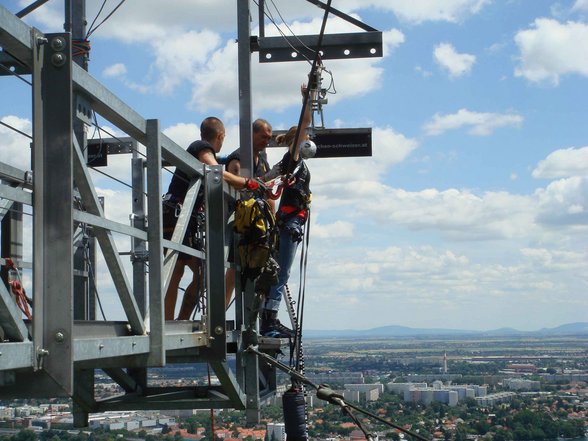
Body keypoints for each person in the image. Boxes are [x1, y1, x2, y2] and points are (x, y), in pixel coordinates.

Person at [164, 116, 260, 320]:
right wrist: (245, 182)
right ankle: (170, 321)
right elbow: (215, 170)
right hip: (178, 215)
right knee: (184, 272)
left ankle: (174, 321)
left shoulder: (199, 148)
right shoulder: (200, 147)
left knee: (188, 272)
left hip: (180, 216)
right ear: (221, 136)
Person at [259, 85, 317, 338]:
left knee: (279, 271)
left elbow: (264, 180)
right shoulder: (292, 159)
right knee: (282, 272)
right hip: (291, 221)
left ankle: (268, 315)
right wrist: (308, 99)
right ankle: (270, 319)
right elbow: (304, 124)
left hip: (288, 221)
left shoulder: (288, 163)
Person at [224, 118, 274, 307]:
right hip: (240, 222)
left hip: (259, 224)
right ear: (251, 135)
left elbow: (267, 192)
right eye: (263, 137)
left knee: (256, 270)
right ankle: (220, 313)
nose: (266, 141)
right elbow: (232, 183)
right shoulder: (237, 159)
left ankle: (253, 318)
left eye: (269, 138)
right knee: (234, 269)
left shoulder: (261, 161)